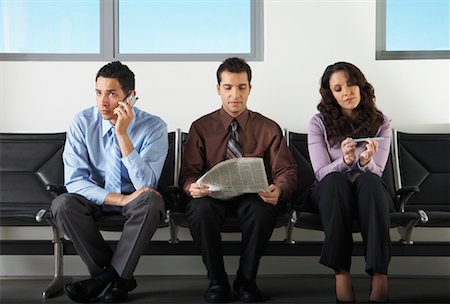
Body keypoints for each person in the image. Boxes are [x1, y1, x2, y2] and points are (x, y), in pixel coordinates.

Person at [179, 57, 298, 303]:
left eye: (242, 87)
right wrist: (192, 186)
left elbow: (286, 170)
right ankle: (217, 282)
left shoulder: (268, 127)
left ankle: (246, 281)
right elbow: (189, 172)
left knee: (263, 209)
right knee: (199, 211)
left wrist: (279, 189)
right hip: (212, 197)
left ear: (250, 89)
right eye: (228, 87)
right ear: (218, 89)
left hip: (252, 196)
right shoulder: (201, 127)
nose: (235, 94)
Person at [51, 61, 168, 303]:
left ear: (131, 97)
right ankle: (117, 279)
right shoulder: (82, 122)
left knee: (151, 201)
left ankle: (103, 280)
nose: (103, 102)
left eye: (112, 93)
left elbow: (146, 184)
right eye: (98, 92)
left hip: (136, 202)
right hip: (94, 197)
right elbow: (74, 181)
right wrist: (121, 198)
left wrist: (122, 135)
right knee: (62, 205)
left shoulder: (154, 127)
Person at [306, 62, 394, 303]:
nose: (347, 92)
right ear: (330, 94)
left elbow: (379, 170)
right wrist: (345, 162)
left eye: (351, 84)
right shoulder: (318, 123)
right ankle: (341, 273)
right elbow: (321, 173)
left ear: (361, 85)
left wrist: (365, 161)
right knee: (335, 181)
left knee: (369, 181)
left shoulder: (381, 121)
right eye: (338, 88)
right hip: (331, 192)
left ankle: (379, 275)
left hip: (369, 193)